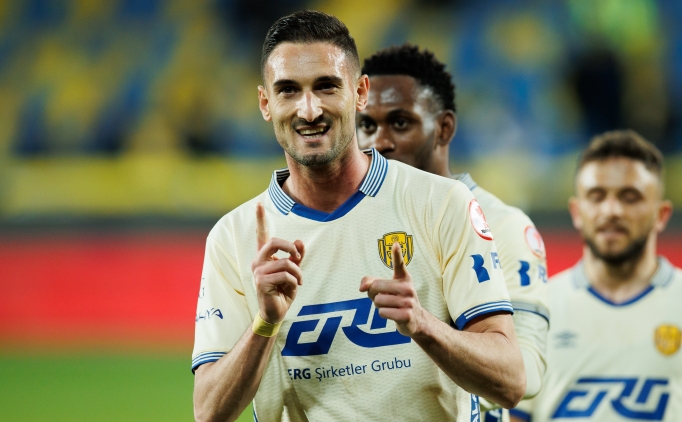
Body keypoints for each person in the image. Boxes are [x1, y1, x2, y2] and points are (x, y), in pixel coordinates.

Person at [192, 10, 525, 422]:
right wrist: (265, 323)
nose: (309, 110)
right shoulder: (233, 238)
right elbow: (208, 411)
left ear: (360, 92)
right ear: (265, 103)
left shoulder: (440, 204)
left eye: (326, 86)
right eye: (288, 90)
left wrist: (423, 325)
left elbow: (510, 381)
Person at [357, 44, 549, 422]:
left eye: (400, 123)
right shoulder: (352, 224)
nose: (379, 141)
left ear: (443, 128)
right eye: (366, 125)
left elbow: (526, 374)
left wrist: (426, 334)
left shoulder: (503, 225)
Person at [511, 130, 682, 421]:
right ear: (576, 212)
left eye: (630, 197)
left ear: (662, 214)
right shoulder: (537, 310)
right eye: (597, 196)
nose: (611, 210)